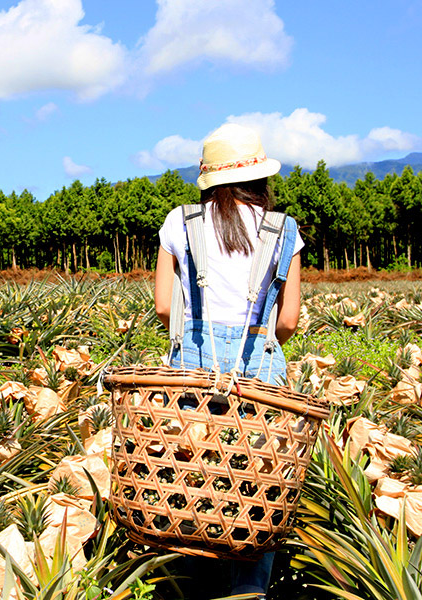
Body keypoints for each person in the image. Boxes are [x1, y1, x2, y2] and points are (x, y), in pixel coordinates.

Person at [153, 123, 303, 599]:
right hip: (260, 358)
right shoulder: (284, 229)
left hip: (193, 360)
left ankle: (184, 572)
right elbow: (289, 320)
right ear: (260, 176)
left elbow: (162, 306)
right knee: (257, 481)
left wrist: (195, 340)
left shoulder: (181, 222)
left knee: (187, 466)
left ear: (209, 178)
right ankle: (248, 587)